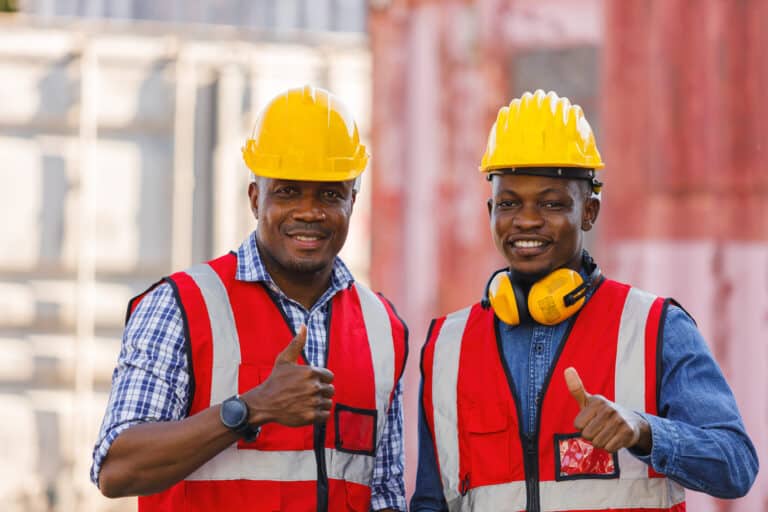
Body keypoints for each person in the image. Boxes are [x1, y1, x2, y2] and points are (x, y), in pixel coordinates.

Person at [410, 90, 758, 511]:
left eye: (552, 203)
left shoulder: (654, 328)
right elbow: (432, 501)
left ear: (589, 211)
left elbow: (736, 464)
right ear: (490, 211)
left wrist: (644, 431)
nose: (527, 220)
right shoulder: (447, 346)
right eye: (509, 203)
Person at [91, 85, 408, 512]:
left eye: (330, 194)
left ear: (353, 200)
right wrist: (252, 408)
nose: (310, 211)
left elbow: (385, 495)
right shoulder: (182, 307)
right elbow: (117, 468)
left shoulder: (382, 328)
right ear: (256, 198)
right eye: (288, 191)